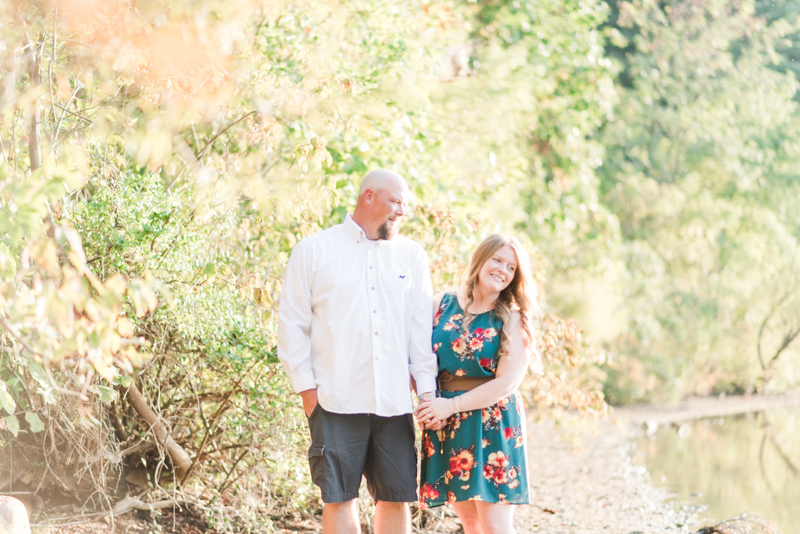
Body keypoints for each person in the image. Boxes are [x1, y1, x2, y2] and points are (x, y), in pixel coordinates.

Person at [277, 169, 438, 534]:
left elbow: (419, 334)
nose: (402, 212)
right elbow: (292, 326)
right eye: (396, 201)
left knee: (396, 497)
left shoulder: (411, 256)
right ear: (368, 197)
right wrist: (307, 392)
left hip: (394, 401)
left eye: (405, 204)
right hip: (334, 399)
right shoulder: (314, 251)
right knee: (339, 497)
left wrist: (427, 394)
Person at [414, 234, 542, 534]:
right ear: (480, 259)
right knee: (470, 523)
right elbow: (418, 360)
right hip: (447, 421)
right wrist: (429, 404)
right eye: (497, 259)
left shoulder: (514, 317)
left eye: (511, 267)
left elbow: (506, 384)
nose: (502, 270)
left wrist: (449, 405)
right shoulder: (439, 304)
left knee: (495, 527)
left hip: (493, 423)